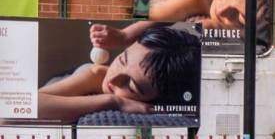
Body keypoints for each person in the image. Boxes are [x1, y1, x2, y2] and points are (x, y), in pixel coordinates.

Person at [35, 21, 201, 122]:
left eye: (131, 85)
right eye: (122, 59)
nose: (113, 79)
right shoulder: (96, 74)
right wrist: (114, 101)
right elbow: (22, 109)